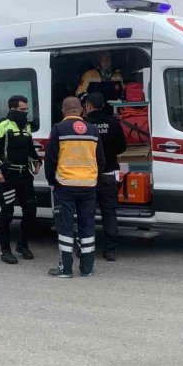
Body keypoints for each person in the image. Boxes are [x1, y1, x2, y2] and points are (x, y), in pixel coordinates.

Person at [45, 97, 105, 278]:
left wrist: (52, 181)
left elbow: (50, 159)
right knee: (87, 226)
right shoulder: (93, 130)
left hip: (65, 185)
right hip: (88, 185)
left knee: (65, 227)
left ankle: (65, 269)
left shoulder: (58, 129)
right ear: (81, 110)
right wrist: (94, 179)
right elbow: (101, 160)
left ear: (63, 110)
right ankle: (87, 268)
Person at [0, 95, 41, 264]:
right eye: (22, 110)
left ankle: (22, 245)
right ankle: (5, 250)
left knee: (31, 212)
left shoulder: (27, 126)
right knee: (7, 214)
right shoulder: (1, 125)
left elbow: (30, 146)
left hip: (25, 175)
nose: (25, 113)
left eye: (27, 109)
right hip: (7, 176)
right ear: (13, 109)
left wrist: (37, 160)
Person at [83, 92, 127, 261]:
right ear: (103, 105)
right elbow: (122, 147)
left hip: (88, 174)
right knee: (109, 212)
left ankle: (85, 247)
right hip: (109, 173)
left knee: (87, 212)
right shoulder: (113, 123)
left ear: (88, 106)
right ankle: (110, 250)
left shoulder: (84, 124)